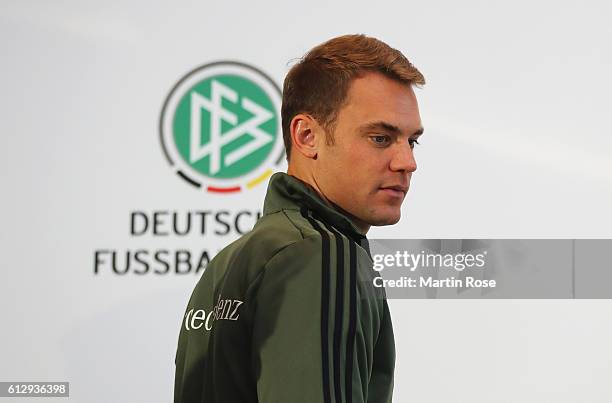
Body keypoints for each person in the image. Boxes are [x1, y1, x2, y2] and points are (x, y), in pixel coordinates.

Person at [174, 33, 425, 403]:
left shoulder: (235, 258)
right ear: (307, 136)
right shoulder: (322, 254)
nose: (407, 162)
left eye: (412, 141)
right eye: (380, 138)